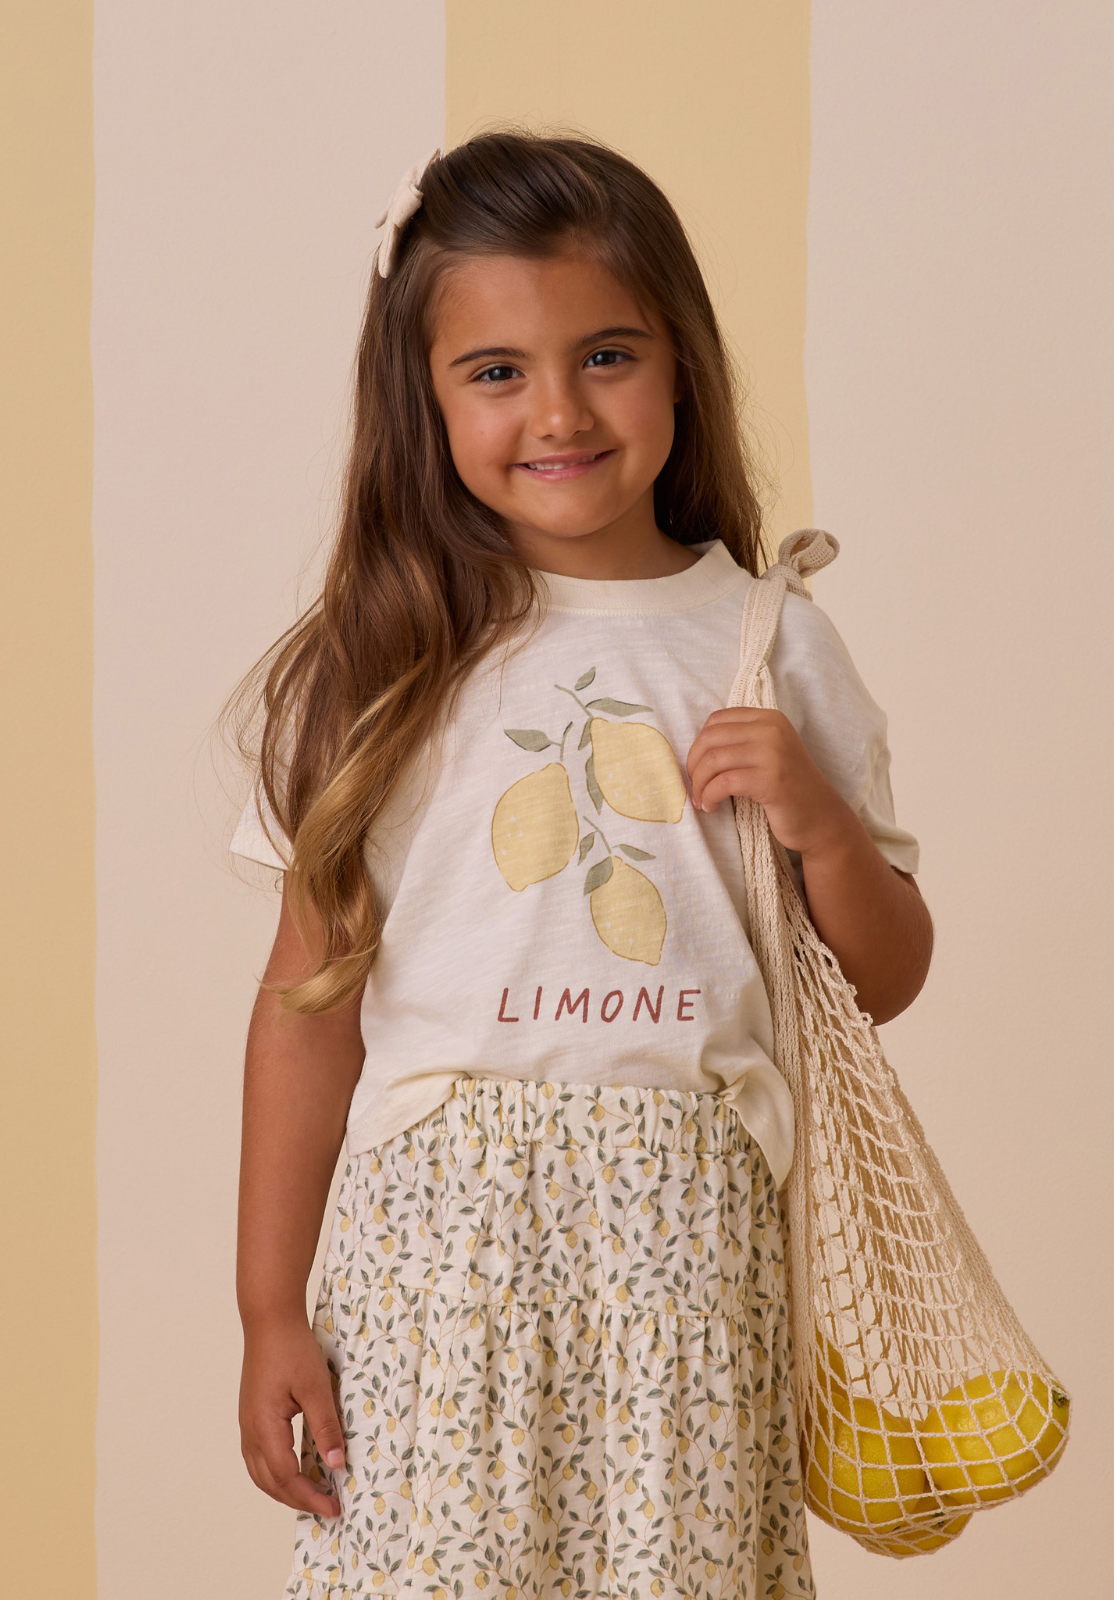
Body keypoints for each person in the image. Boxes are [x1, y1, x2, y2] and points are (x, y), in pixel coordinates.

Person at [229, 131, 932, 1600]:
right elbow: (307, 1004)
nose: (558, 409)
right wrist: (268, 1311)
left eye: (606, 354)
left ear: (680, 365)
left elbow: (884, 976)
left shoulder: (768, 639)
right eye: (496, 372)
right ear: (424, 402)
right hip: (437, 1254)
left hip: (689, 1243)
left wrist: (817, 820)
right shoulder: (383, 658)